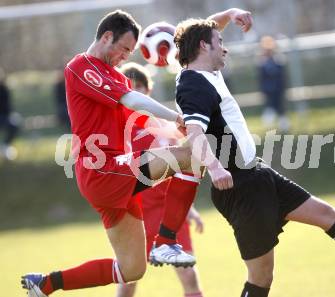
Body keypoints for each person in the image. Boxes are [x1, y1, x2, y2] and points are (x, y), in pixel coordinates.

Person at [172, 10, 335, 297]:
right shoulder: (192, 82)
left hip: (257, 173)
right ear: (203, 46)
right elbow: (195, 132)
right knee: (261, 277)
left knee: (326, 214)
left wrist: (232, 13)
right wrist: (214, 167)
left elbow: (206, 27)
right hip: (239, 185)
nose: (224, 46)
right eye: (219, 40)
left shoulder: (209, 73)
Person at [21, 9, 211, 297]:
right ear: (107, 36)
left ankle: (46, 283)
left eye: (130, 52)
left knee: (132, 269)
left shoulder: (116, 78)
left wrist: (182, 128)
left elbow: (139, 116)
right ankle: (167, 241)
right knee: (190, 157)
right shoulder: (81, 65)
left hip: (113, 175)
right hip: (101, 169)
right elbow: (132, 99)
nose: (126, 57)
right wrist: (176, 118)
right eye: (124, 49)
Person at [116, 62, 205, 297]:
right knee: (129, 279)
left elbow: (183, 172)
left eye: (139, 89)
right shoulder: (117, 128)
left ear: (148, 91)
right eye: (129, 91)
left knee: (188, 274)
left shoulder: (166, 126)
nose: (135, 94)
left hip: (169, 213)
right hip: (137, 215)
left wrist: (190, 210)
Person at [257, 35, 290, 132]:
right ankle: (269, 125)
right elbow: (261, 78)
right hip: (268, 90)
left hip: (278, 89)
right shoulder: (262, 62)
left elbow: (282, 76)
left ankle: (283, 124)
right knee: (270, 106)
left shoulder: (278, 59)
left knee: (280, 106)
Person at [0, 67, 19, 160]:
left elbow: (8, 106)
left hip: (5, 116)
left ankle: (5, 145)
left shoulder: (5, 89)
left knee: (15, 124)